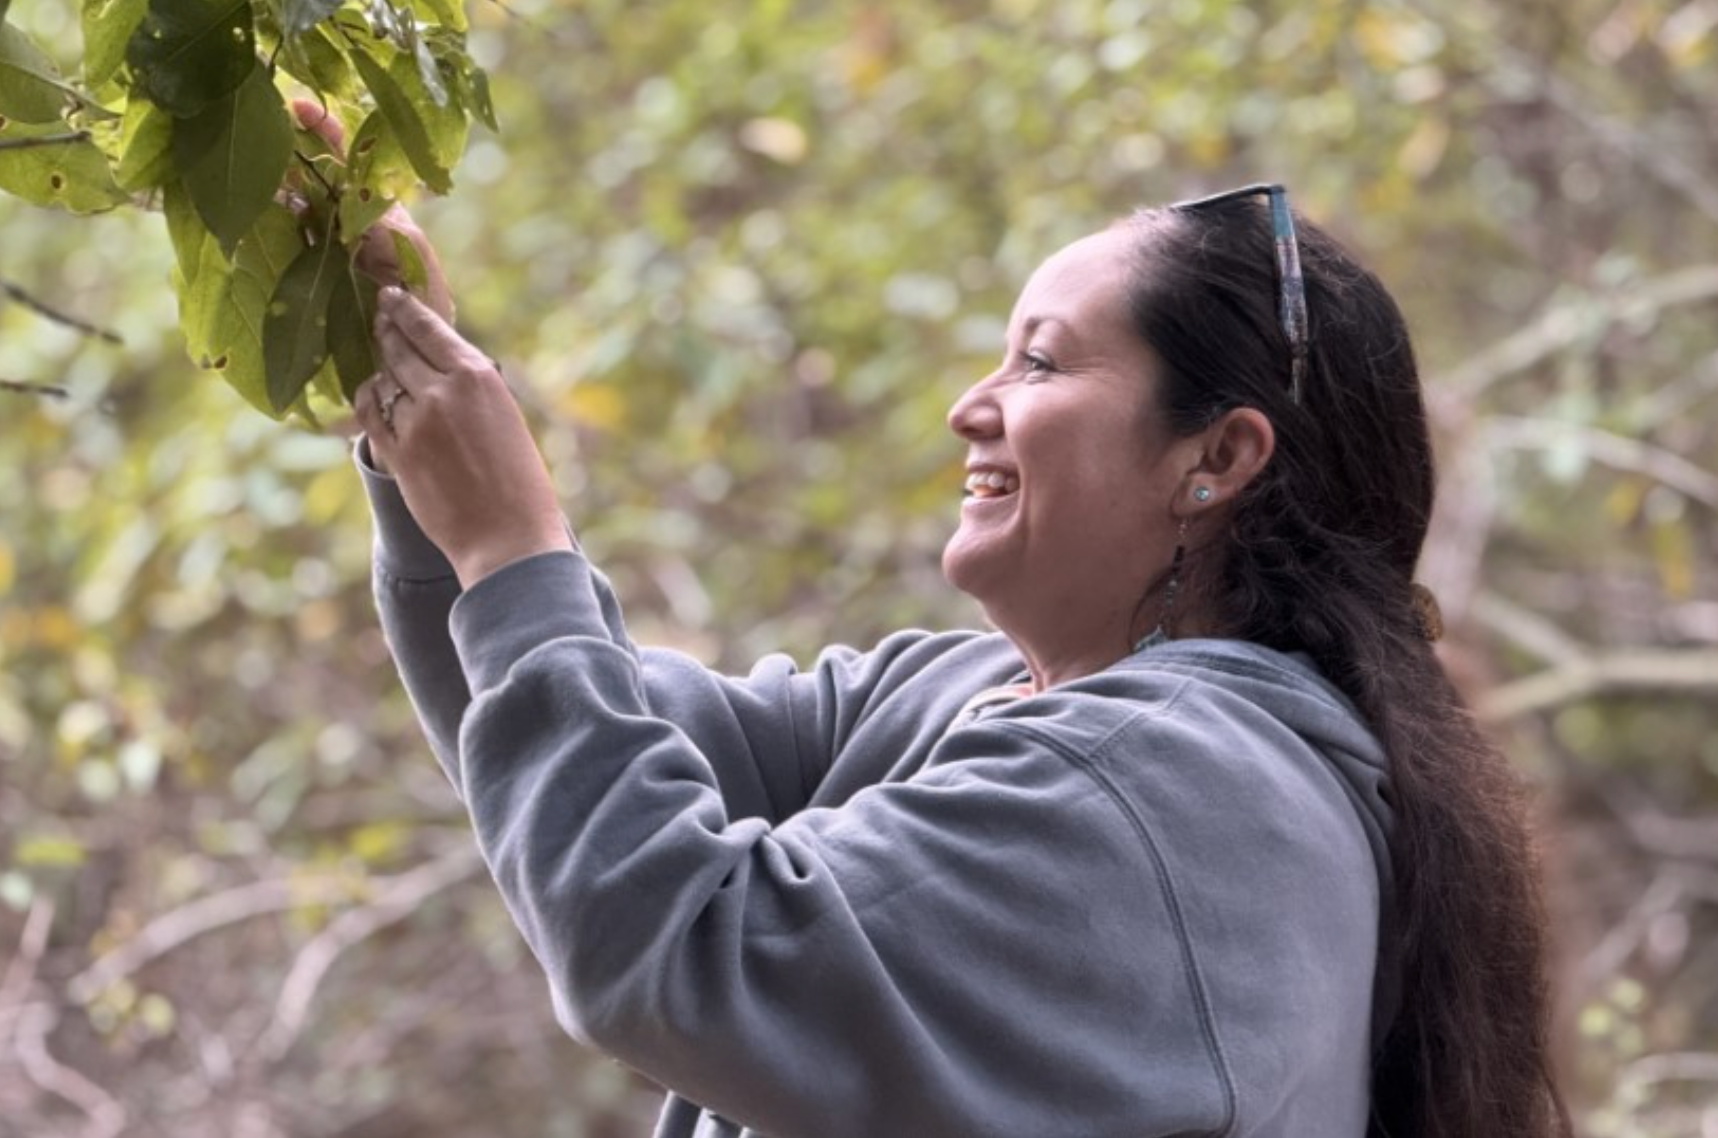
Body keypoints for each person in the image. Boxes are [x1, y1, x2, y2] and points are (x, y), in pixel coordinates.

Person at [348, 176, 1571, 1135]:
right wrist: (424, 409)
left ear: (1215, 458)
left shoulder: (1179, 789)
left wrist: (515, 542)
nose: (969, 404)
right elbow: (572, 748)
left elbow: (663, 938)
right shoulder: (975, 697)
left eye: (1039, 361)